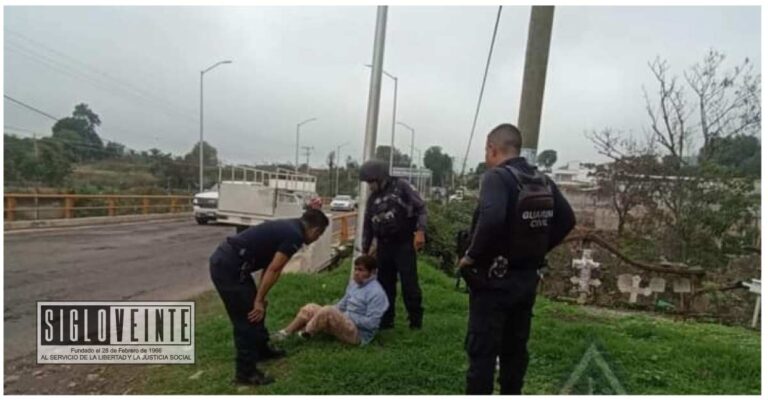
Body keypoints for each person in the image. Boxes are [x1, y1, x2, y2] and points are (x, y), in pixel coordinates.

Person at [458, 123, 575, 395]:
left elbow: (492, 219)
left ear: (492, 148)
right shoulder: (542, 179)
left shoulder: (496, 177)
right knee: (514, 349)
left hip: (493, 282)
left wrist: (471, 257)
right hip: (526, 279)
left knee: (482, 351)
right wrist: (536, 250)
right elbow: (567, 219)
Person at [209, 209, 330, 386]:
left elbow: (270, 266)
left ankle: (261, 350)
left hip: (234, 263)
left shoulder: (290, 226)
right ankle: (245, 374)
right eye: (319, 235)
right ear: (315, 230)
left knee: (257, 308)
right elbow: (275, 269)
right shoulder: (294, 236)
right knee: (247, 318)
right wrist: (257, 300)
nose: (317, 239)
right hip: (228, 267)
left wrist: (260, 296)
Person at [358, 159, 427, 330]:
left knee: (409, 284)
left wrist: (420, 231)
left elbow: (421, 208)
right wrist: (365, 251)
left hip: (403, 244)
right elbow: (368, 226)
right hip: (384, 246)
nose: (370, 186)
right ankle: (386, 320)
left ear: (380, 178)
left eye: (371, 182)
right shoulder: (373, 199)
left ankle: (415, 321)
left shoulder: (401, 186)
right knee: (385, 284)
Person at [272, 255, 389, 345]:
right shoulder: (354, 284)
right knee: (311, 307)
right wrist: (329, 312)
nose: (357, 273)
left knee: (328, 311)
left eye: (361, 270)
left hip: (358, 334)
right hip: (344, 322)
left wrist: (347, 316)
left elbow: (372, 324)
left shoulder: (376, 293)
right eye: (356, 269)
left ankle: (304, 334)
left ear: (372, 272)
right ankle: (285, 333)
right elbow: (342, 304)